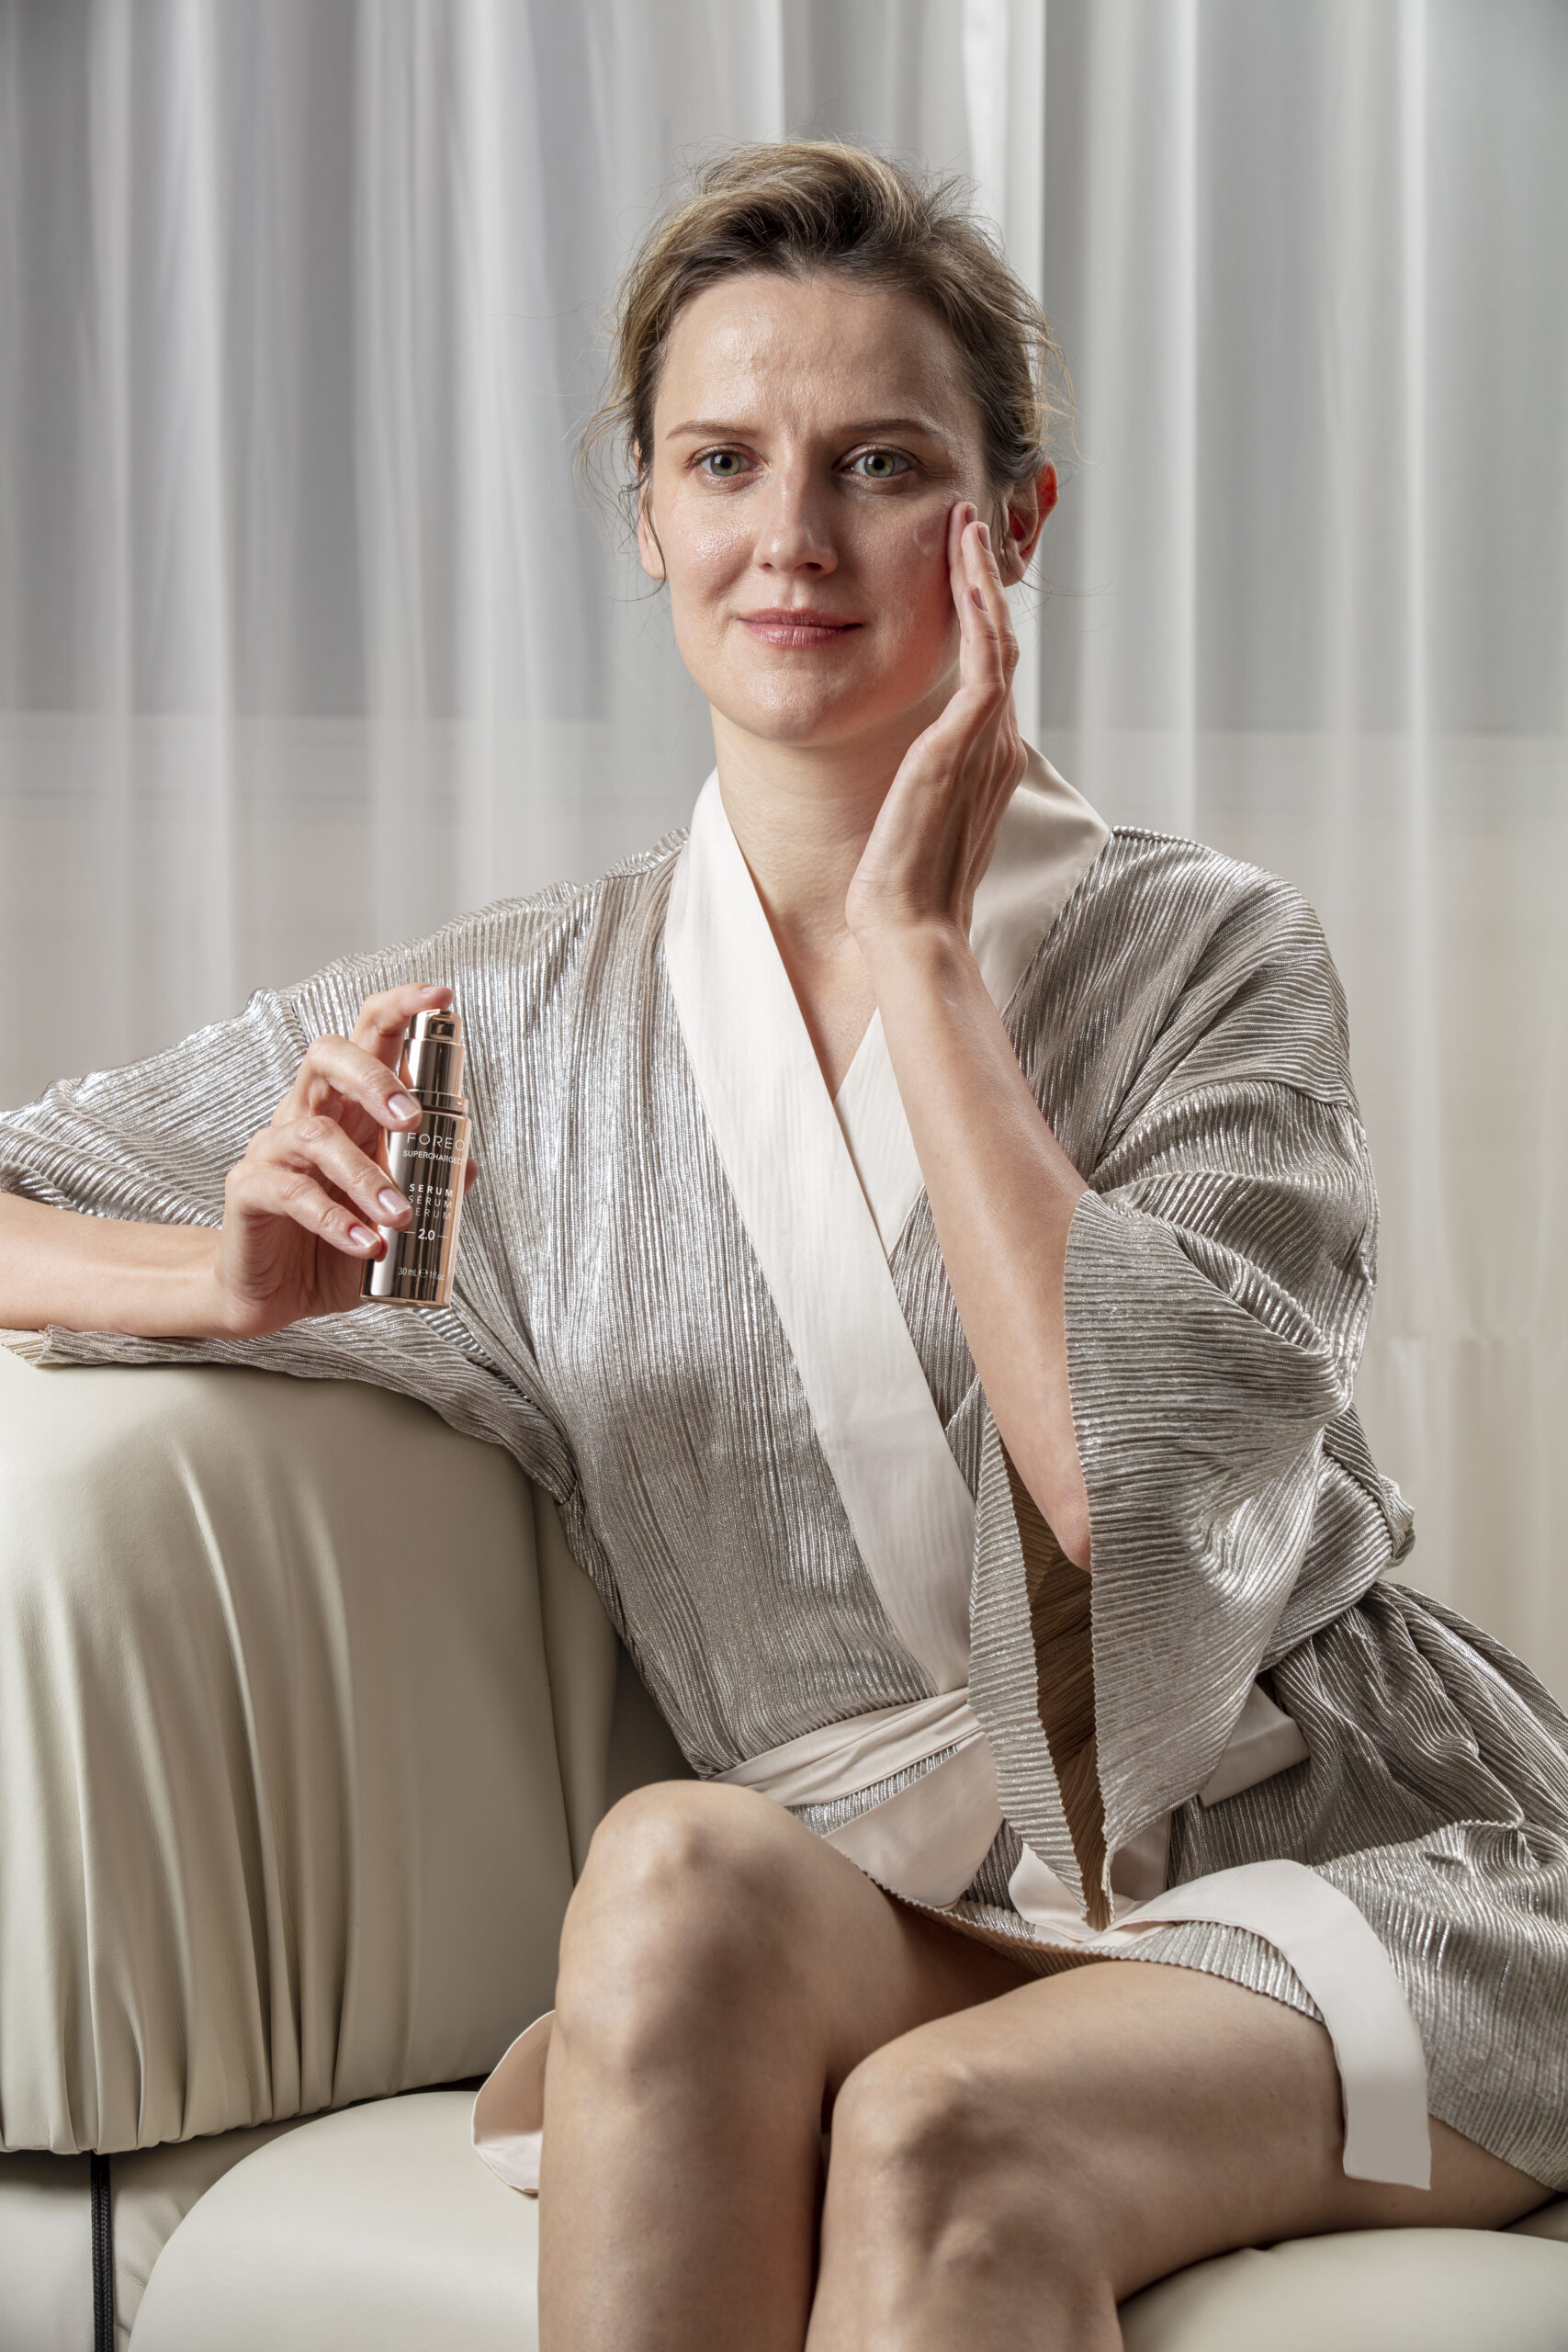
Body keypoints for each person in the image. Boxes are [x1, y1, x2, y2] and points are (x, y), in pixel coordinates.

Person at [1, 141, 1564, 2351]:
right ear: (645, 516)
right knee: (661, 1871)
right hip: (901, 1903)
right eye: (722, 460)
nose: (792, 534)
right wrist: (220, 1282)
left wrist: (918, 950)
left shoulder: (1210, 959)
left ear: (1011, 522)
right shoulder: (512, 1031)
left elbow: (1129, 1497)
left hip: (1356, 1865)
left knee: (937, 2136)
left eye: (880, 464)